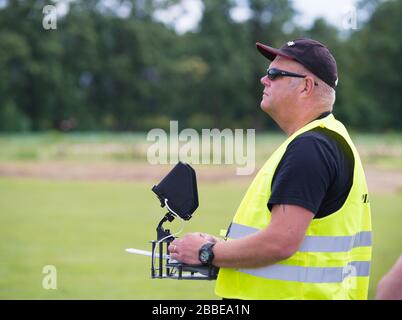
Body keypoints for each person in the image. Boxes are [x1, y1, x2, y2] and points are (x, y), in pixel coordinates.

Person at [168, 38, 372, 300]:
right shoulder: (327, 139)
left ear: (306, 87)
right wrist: (226, 249)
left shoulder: (310, 147)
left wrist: (207, 252)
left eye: (274, 74)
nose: (264, 80)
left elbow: (280, 242)